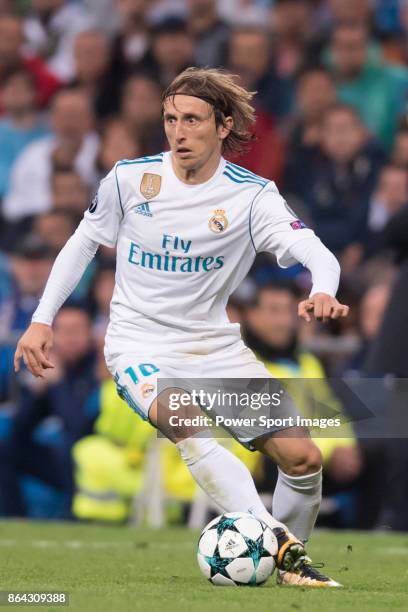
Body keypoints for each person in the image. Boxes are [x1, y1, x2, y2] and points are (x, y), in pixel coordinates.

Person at [15, 67, 349, 587]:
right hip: (137, 343)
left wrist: (322, 288)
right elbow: (82, 243)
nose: (178, 131)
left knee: (303, 457)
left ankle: (289, 566)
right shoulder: (130, 179)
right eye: (171, 118)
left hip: (213, 347)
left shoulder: (252, 196)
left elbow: (316, 253)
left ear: (223, 126)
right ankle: (278, 543)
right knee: (182, 414)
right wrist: (41, 320)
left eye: (192, 119)